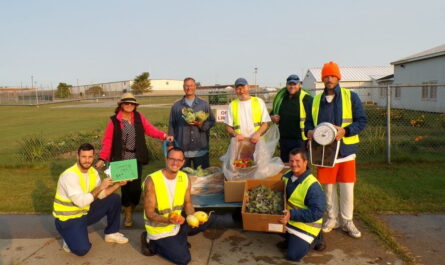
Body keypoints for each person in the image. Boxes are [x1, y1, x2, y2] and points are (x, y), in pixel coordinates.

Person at [306, 61, 367, 238]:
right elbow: (309, 123)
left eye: (332, 75)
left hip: (346, 152)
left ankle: (347, 220)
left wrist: (346, 131)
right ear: (322, 79)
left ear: (338, 77)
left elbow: (361, 121)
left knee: (347, 188)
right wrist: (308, 131)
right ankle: (332, 218)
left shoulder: (351, 96)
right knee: (328, 189)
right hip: (323, 152)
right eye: (326, 76)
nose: (329, 79)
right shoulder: (316, 100)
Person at [95, 92, 174, 227]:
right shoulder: (114, 120)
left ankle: (131, 206)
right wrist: (102, 157)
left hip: (135, 157)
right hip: (121, 159)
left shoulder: (138, 117)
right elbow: (107, 141)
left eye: (132, 103)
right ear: (121, 105)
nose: (129, 105)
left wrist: (164, 136)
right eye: (126, 103)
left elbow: (150, 129)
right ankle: (128, 214)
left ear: (135, 105)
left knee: (136, 188)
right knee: (125, 188)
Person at [140, 147, 215, 265]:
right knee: (183, 259)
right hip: (160, 229)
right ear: (166, 159)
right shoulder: (152, 180)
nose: (175, 163)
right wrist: (168, 220)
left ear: (183, 162)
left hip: (176, 224)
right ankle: (151, 242)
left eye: (179, 160)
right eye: (172, 159)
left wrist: (192, 218)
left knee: (209, 219)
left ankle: (179, 239)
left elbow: (188, 203)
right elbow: (150, 214)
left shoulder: (184, 177)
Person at [53, 143, 129, 256]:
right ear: (77, 157)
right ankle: (68, 237)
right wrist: (100, 187)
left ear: (93, 157)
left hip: (84, 212)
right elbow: (81, 202)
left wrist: (117, 185)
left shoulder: (93, 172)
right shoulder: (69, 175)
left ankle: (111, 233)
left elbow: (101, 195)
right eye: (83, 157)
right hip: (68, 219)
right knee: (82, 250)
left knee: (114, 199)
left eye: (90, 157)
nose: (87, 160)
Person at [279, 148, 326, 262]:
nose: (294, 164)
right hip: (289, 219)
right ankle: (290, 238)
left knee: (293, 255)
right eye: (291, 161)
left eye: (297, 161)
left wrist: (291, 215)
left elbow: (318, 212)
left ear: (305, 162)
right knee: (264, 224)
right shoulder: (286, 176)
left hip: (306, 224)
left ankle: (317, 238)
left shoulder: (312, 186)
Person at [168, 77, 215, 169]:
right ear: (183, 87)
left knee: (202, 178)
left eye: (191, 85)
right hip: (182, 149)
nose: (189, 88)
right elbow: (171, 125)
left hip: (200, 148)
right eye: (186, 86)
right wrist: (170, 145)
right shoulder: (176, 106)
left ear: (195, 87)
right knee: (183, 178)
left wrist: (201, 125)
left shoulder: (203, 104)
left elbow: (212, 121)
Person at [271, 74, 312, 163]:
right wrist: (273, 117)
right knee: (286, 165)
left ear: (300, 84)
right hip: (284, 139)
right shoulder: (281, 98)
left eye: (294, 84)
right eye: (290, 84)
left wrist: (311, 138)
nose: (292, 86)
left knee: (300, 165)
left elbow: (313, 118)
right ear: (286, 85)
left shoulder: (307, 99)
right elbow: (272, 113)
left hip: (301, 140)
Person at [225, 78, 270, 143]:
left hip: (257, 140)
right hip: (240, 142)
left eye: (243, 87)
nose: (241, 91)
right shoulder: (232, 105)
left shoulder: (259, 101)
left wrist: (258, 134)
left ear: (248, 87)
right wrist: (236, 134)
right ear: (235, 90)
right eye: (238, 88)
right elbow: (228, 126)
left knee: (258, 153)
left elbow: (265, 123)